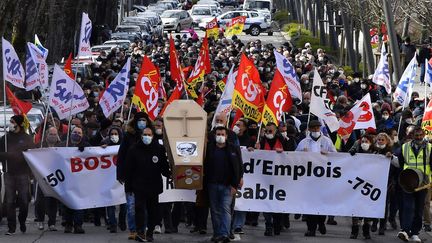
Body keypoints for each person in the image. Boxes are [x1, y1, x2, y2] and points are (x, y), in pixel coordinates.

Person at [125, 127, 171, 242]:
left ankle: (149, 232)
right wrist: (128, 187)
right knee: (139, 209)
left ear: (153, 136)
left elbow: (164, 167)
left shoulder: (159, 149)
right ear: (141, 136)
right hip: (138, 185)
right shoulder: (134, 149)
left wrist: (171, 174)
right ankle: (140, 232)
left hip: (153, 186)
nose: (147, 137)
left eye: (149, 135)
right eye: (145, 134)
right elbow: (129, 170)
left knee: (153, 210)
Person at [295, 120, 337, 237]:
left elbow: (336, 156)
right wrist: (301, 154)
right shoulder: (304, 142)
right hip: (308, 179)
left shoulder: (327, 141)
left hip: (323, 179)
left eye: (317, 128)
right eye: (313, 128)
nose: (315, 130)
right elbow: (293, 158)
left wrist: (328, 154)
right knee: (310, 205)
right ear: (309, 129)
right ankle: (311, 228)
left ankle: (321, 222)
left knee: (321, 203)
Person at [117, 112, 153, 240]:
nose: (142, 122)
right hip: (131, 176)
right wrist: (120, 174)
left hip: (146, 177)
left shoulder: (151, 136)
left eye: (144, 120)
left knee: (144, 206)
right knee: (131, 206)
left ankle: (142, 229)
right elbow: (121, 156)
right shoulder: (128, 136)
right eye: (140, 120)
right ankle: (133, 230)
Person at [204, 126, 243, 243]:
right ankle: (217, 234)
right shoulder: (209, 149)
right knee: (215, 211)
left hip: (228, 185)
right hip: (212, 184)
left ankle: (224, 234)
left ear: (226, 136)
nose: (220, 136)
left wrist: (235, 184)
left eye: (222, 134)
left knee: (225, 209)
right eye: (218, 134)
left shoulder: (233, 149)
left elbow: (239, 166)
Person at [255, 122, 294, 237]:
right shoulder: (261, 141)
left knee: (278, 202)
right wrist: (254, 149)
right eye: (266, 131)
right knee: (266, 203)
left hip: (280, 179)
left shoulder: (285, 141)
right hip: (265, 179)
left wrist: (284, 153)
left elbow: (292, 155)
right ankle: (268, 225)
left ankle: (278, 223)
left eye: (270, 131)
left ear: (276, 131)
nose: (268, 133)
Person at [395, 126, 431, 243]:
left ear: (424, 135)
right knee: (408, 207)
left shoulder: (430, 148)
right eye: (416, 135)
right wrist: (390, 157)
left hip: (423, 184)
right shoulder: (404, 147)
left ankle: (415, 233)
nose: (419, 137)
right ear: (412, 136)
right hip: (408, 183)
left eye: (421, 135)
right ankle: (405, 231)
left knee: (419, 209)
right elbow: (399, 163)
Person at [0, 115, 34, 235]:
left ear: (19, 124)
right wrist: (8, 155)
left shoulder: (27, 138)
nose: (10, 123)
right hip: (9, 174)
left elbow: (29, 155)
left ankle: (22, 220)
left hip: (23, 174)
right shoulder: (4, 139)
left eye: (12, 122)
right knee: (9, 202)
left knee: (24, 201)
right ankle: (11, 227)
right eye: (10, 121)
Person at [62, 126, 90, 234]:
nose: (77, 134)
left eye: (79, 133)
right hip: (67, 179)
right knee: (67, 203)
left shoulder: (86, 146)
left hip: (80, 180)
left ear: (82, 135)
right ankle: (68, 224)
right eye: (75, 132)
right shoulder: (64, 145)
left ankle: (78, 225)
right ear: (70, 133)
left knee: (79, 203)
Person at [348, 134, 376, 239]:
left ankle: (366, 230)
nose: (364, 143)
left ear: (371, 143)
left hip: (370, 184)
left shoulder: (375, 152)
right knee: (355, 207)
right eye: (362, 141)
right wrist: (352, 153)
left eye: (366, 141)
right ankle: (354, 230)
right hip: (357, 184)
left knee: (368, 207)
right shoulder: (356, 150)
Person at [35, 126, 61, 231]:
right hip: (41, 176)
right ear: (47, 135)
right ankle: (40, 220)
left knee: (53, 200)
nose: (53, 136)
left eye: (55, 134)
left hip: (55, 176)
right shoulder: (39, 146)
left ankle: (52, 223)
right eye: (51, 134)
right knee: (40, 200)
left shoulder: (60, 146)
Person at [101, 126, 127, 233]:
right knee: (110, 203)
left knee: (124, 203)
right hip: (109, 179)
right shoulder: (105, 146)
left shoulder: (125, 146)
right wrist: (103, 149)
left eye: (116, 134)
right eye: (112, 134)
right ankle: (112, 223)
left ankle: (122, 220)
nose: (114, 136)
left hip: (122, 178)